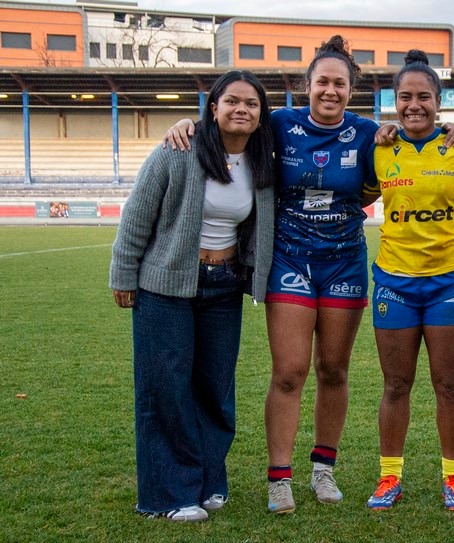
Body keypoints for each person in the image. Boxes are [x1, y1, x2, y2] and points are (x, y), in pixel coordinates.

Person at [163, 35, 378, 513]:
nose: (330, 91)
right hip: (289, 262)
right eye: (322, 81)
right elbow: (228, 133)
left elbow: (374, 187)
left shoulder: (367, 133)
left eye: (339, 84)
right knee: (289, 371)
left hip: (345, 262)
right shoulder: (278, 123)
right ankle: (279, 477)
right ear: (307, 85)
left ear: (350, 89)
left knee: (333, 370)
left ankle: (323, 469)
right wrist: (187, 123)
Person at [110, 70, 276, 522]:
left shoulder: (264, 163)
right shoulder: (178, 149)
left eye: (252, 104)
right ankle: (167, 496)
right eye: (232, 101)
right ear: (214, 108)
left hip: (223, 287)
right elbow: (137, 214)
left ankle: (208, 482)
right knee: (165, 387)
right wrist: (122, 275)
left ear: (262, 116)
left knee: (214, 388)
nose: (241, 109)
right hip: (166, 284)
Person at [362, 50, 454, 512]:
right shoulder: (380, 148)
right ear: (395, 100)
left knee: (449, 385)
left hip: (448, 281)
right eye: (406, 97)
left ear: (437, 100)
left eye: (424, 97)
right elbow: (352, 197)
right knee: (395, 385)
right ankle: (390, 477)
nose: (414, 105)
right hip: (394, 280)